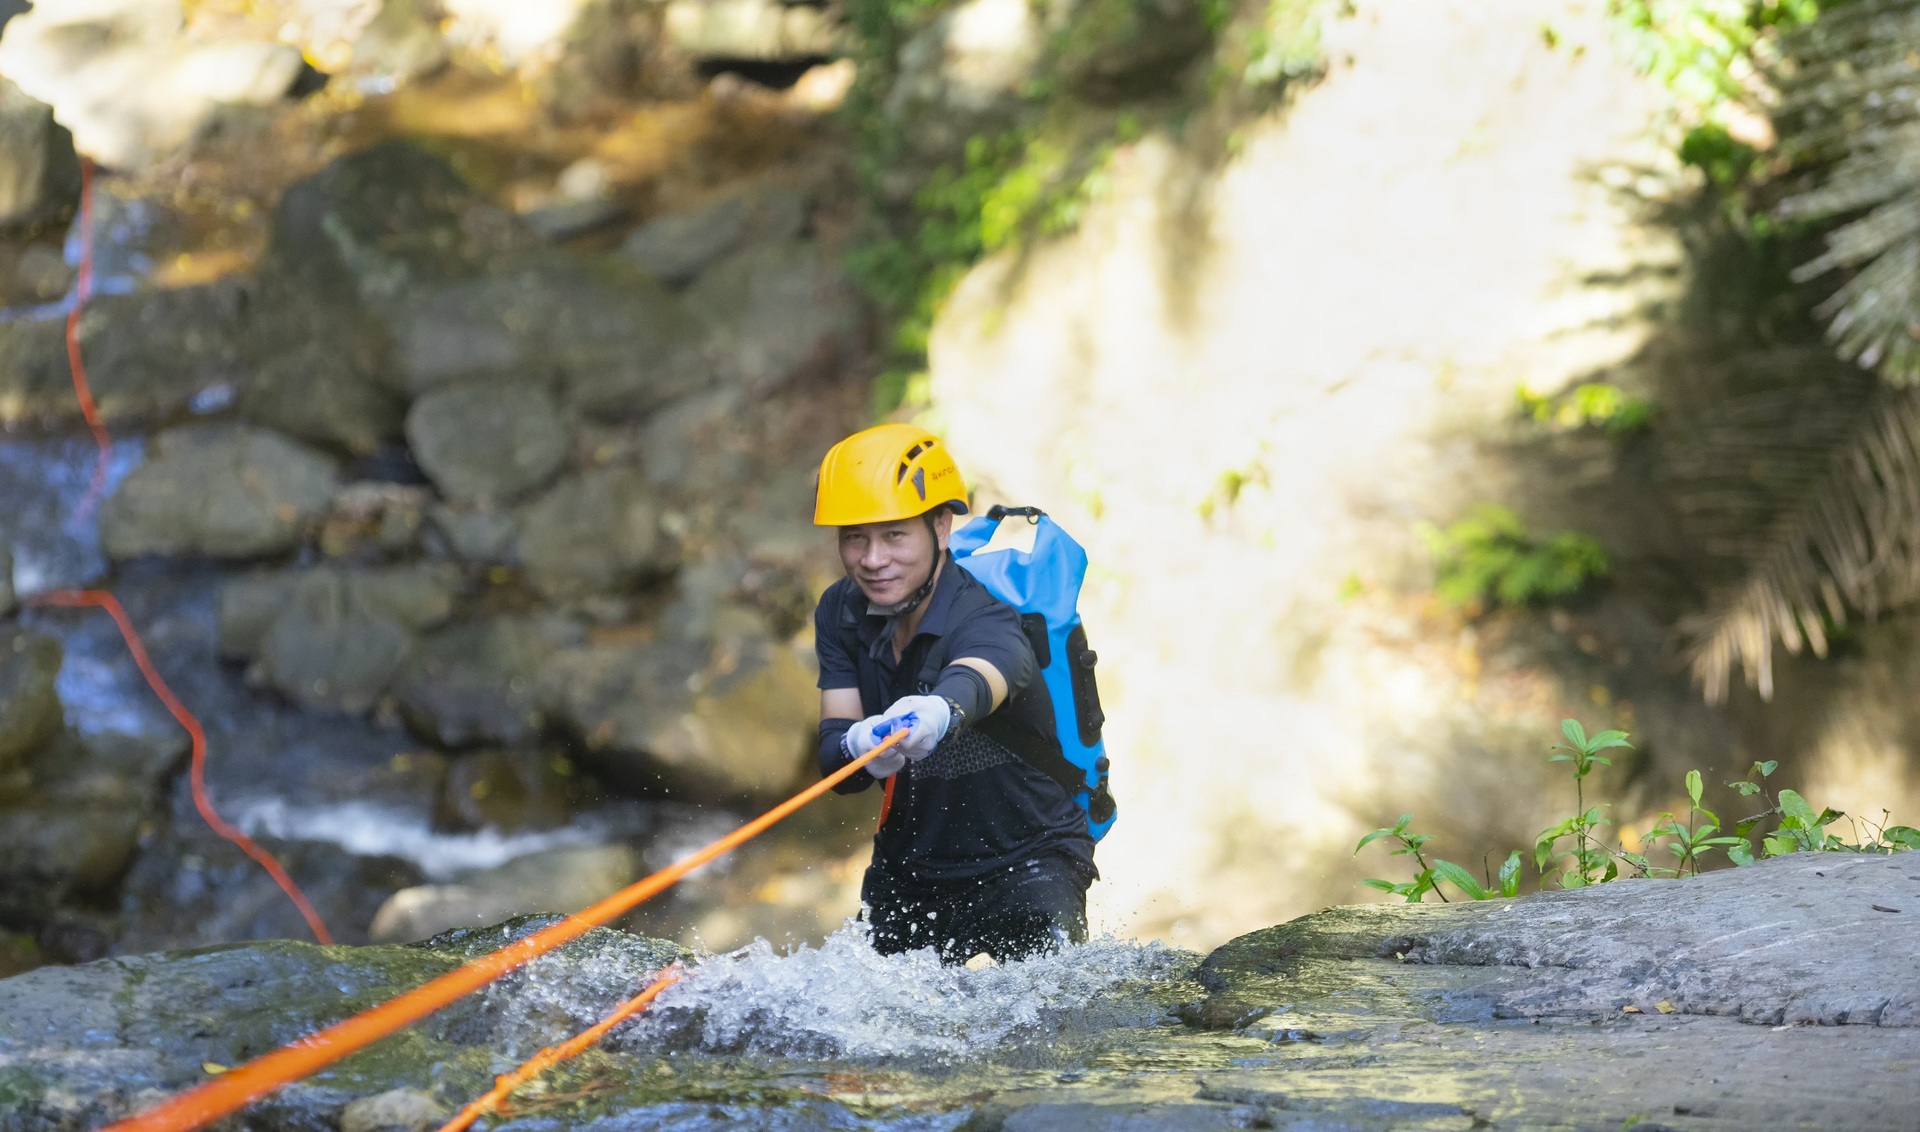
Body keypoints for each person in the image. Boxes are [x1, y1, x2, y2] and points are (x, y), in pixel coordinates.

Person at [812, 423, 1097, 963]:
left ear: (941, 526)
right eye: (855, 537)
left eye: (895, 534)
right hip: (912, 867)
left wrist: (939, 712)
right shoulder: (841, 612)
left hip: (1031, 860)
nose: (872, 560)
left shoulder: (984, 614)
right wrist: (858, 747)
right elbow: (833, 757)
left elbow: (991, 669)